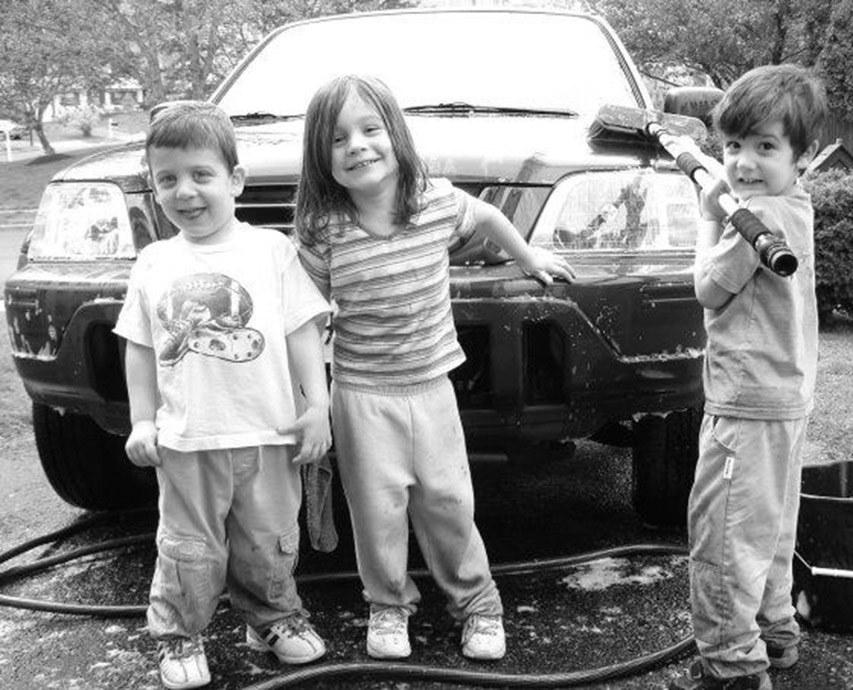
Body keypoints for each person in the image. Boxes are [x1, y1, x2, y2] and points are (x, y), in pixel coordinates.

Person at [293, 74, 576, 662]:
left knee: (448, 502)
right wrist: (310, 398)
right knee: (377, 510)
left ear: (396, 134)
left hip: (431, 386)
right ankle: (388, 603)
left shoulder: (436, 202)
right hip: (361, 394)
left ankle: (478, 604)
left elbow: (489, 218)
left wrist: (529, 257)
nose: (357, 146)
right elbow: (305, 314)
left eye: (370, 129)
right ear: (322, 156)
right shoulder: (324, 230)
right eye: (338, 139)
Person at [115, 101, 333, 690]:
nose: (185, 191)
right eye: (167, 179)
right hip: (188, 441)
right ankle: (180, 633)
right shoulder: (154, 261)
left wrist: (318, 407)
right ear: (155, 187)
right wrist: (142, 421)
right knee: (189, 548)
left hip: (270, 435)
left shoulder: (272, 250)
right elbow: (139, 346)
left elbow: (302, 330)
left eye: (200, 174)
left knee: (269, 539)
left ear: (234, 179)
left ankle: (273, 619)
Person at [669, 64, 828, 690]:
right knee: (770, 527)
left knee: (724, 536)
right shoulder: (795, 202)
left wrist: (708, 213)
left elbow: (708, 288)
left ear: (803, 155)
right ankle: (775, 631)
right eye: (733, 145)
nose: (743, 163)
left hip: (745, 402)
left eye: (766, 146)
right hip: (787, 399)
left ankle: (732, 664)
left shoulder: (756, 215)